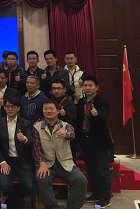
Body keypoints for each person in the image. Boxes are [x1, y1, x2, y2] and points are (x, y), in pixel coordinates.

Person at [33, 100, 87, 209]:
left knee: (81, 180)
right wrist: (42, 164)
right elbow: (36, 148)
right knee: (42, 179)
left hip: (65, 164)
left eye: (51, 108)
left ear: (58, 111)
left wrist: (65, 135)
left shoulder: (66, 126)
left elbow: (72, 135)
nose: (48, 111)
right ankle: (52, 207)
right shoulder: (36, 127)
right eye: (45, 109)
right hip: (47, 164)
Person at [76, 76, 114, 208]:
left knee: (103, 171)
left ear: (96, 88)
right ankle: (96, 193)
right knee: (91, 169)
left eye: (90, 85)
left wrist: (97, 114)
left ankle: (105, 198)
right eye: (85, 85)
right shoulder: (81, 102)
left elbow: (105, 115)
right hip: (85, 140)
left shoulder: (102, 102)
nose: (87, 88)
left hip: (100, 141)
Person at [0, 97, 35, 209]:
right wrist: (2, 162)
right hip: (7, 161)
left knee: (29, 185)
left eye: (13, 107)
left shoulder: (26, 123)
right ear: (4, 108)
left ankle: (9, 203)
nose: (10, 109)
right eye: (7, 106)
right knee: (5, 185)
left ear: (18, 108)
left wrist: (24, 139)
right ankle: (17, 204)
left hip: (23, 162)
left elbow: (31, 142)